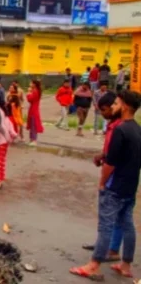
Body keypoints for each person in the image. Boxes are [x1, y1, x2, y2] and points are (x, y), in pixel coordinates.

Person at [70, 91, 141, 281]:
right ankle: (125, 265)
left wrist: (102, 182)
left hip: (115, 186)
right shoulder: (137, 128)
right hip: (130, 185)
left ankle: (94, 266)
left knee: (105, 227)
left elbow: (111, 163)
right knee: (127, 225)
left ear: (125, 106)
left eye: (117, 102)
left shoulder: (120, 129)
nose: (115, 104)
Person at [82, 92, 124, 263]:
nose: (104, 113)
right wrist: (102, 155)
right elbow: (110, 151)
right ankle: (102, 244)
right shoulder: (113, 125)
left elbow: (116, 156)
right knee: (107, 215)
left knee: (114, 216)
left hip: (116, 177)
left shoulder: (120, 128)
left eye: (106, 109)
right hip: (111, 172)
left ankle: (111, 250)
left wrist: (102, 180)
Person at [0, 96, 18, 189]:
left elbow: (1, 127)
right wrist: (11, 138)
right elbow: (13, 132)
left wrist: (7, 138)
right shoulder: (7, 118)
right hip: (1, 142)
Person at [26, 79, 44, 147]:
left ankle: (34, 140)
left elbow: (30, 99)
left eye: (31, 83)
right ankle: (31, 139)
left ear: (34, 84)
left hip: (34, 110)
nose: (30, 84)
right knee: (32, 125)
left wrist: (28, 93)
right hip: (33, 109)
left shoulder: (35, 91)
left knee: (33, 126)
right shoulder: (36, 90)